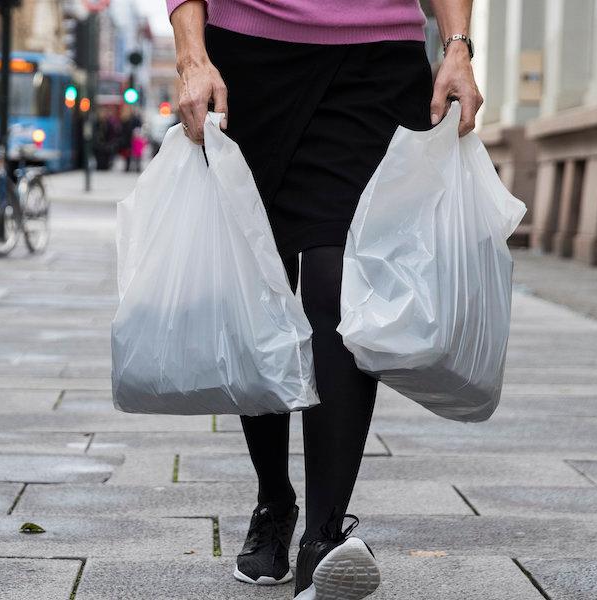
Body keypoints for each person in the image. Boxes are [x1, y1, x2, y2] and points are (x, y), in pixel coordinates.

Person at [166, 0, 482, 598]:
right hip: (251, 64)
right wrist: (192, 54)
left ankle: (324, 537)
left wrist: (457, 45)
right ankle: (275, 501)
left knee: (341, 288)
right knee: (261, 287)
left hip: (374, 65)